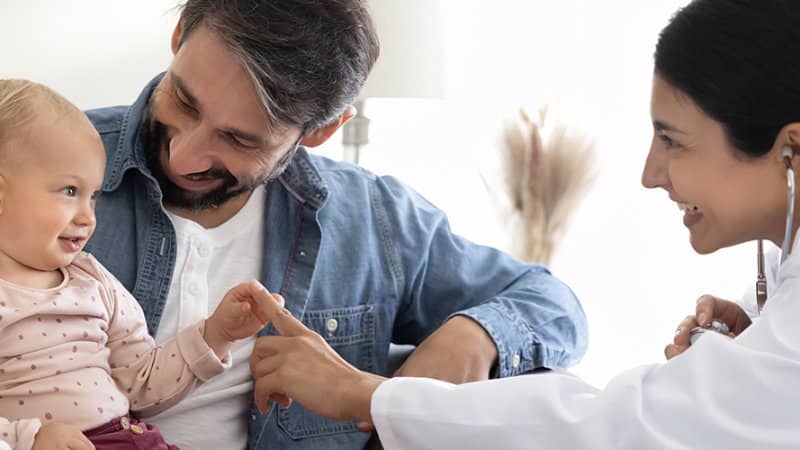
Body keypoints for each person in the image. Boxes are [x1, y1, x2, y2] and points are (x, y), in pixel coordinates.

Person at [246, 0, 800, 448]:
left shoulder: (378, 216)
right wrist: (748, 348)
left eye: (673, 141)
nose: (649, 175)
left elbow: (609, 426)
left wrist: (370, 393)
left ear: (790, 151)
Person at [81, 0, 589, 448]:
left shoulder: (374, 217)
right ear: (177, 41)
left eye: (239, 140)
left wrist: (475, 333)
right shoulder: (27, 163)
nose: (184, 155)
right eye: (184, 102)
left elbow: (553, 304)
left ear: (323, 130)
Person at [0, 79, 275, 450]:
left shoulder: (93, 280)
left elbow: (142, 381)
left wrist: (215, 335)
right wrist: (28, 438)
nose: (87, 216)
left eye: (93, 195)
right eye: (69, 192)